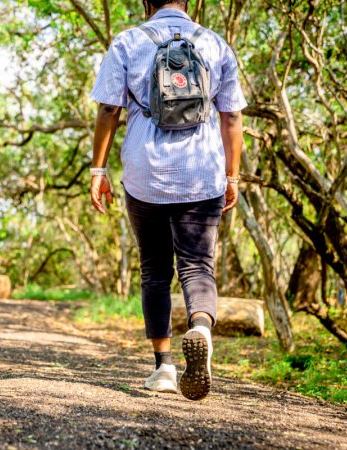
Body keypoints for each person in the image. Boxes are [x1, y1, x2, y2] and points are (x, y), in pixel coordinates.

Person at [89, 0, 246, 400]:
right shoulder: (214, 44)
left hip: (146, 174)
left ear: (146, 3)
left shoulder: (127, 42)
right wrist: (232, 175)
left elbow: (109, 108)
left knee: (155, 270)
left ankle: (163, 368)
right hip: (202, 174)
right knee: (197, 264)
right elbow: (231, 117)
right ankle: (201, 329)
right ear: (190, 3)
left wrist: (98, 171)